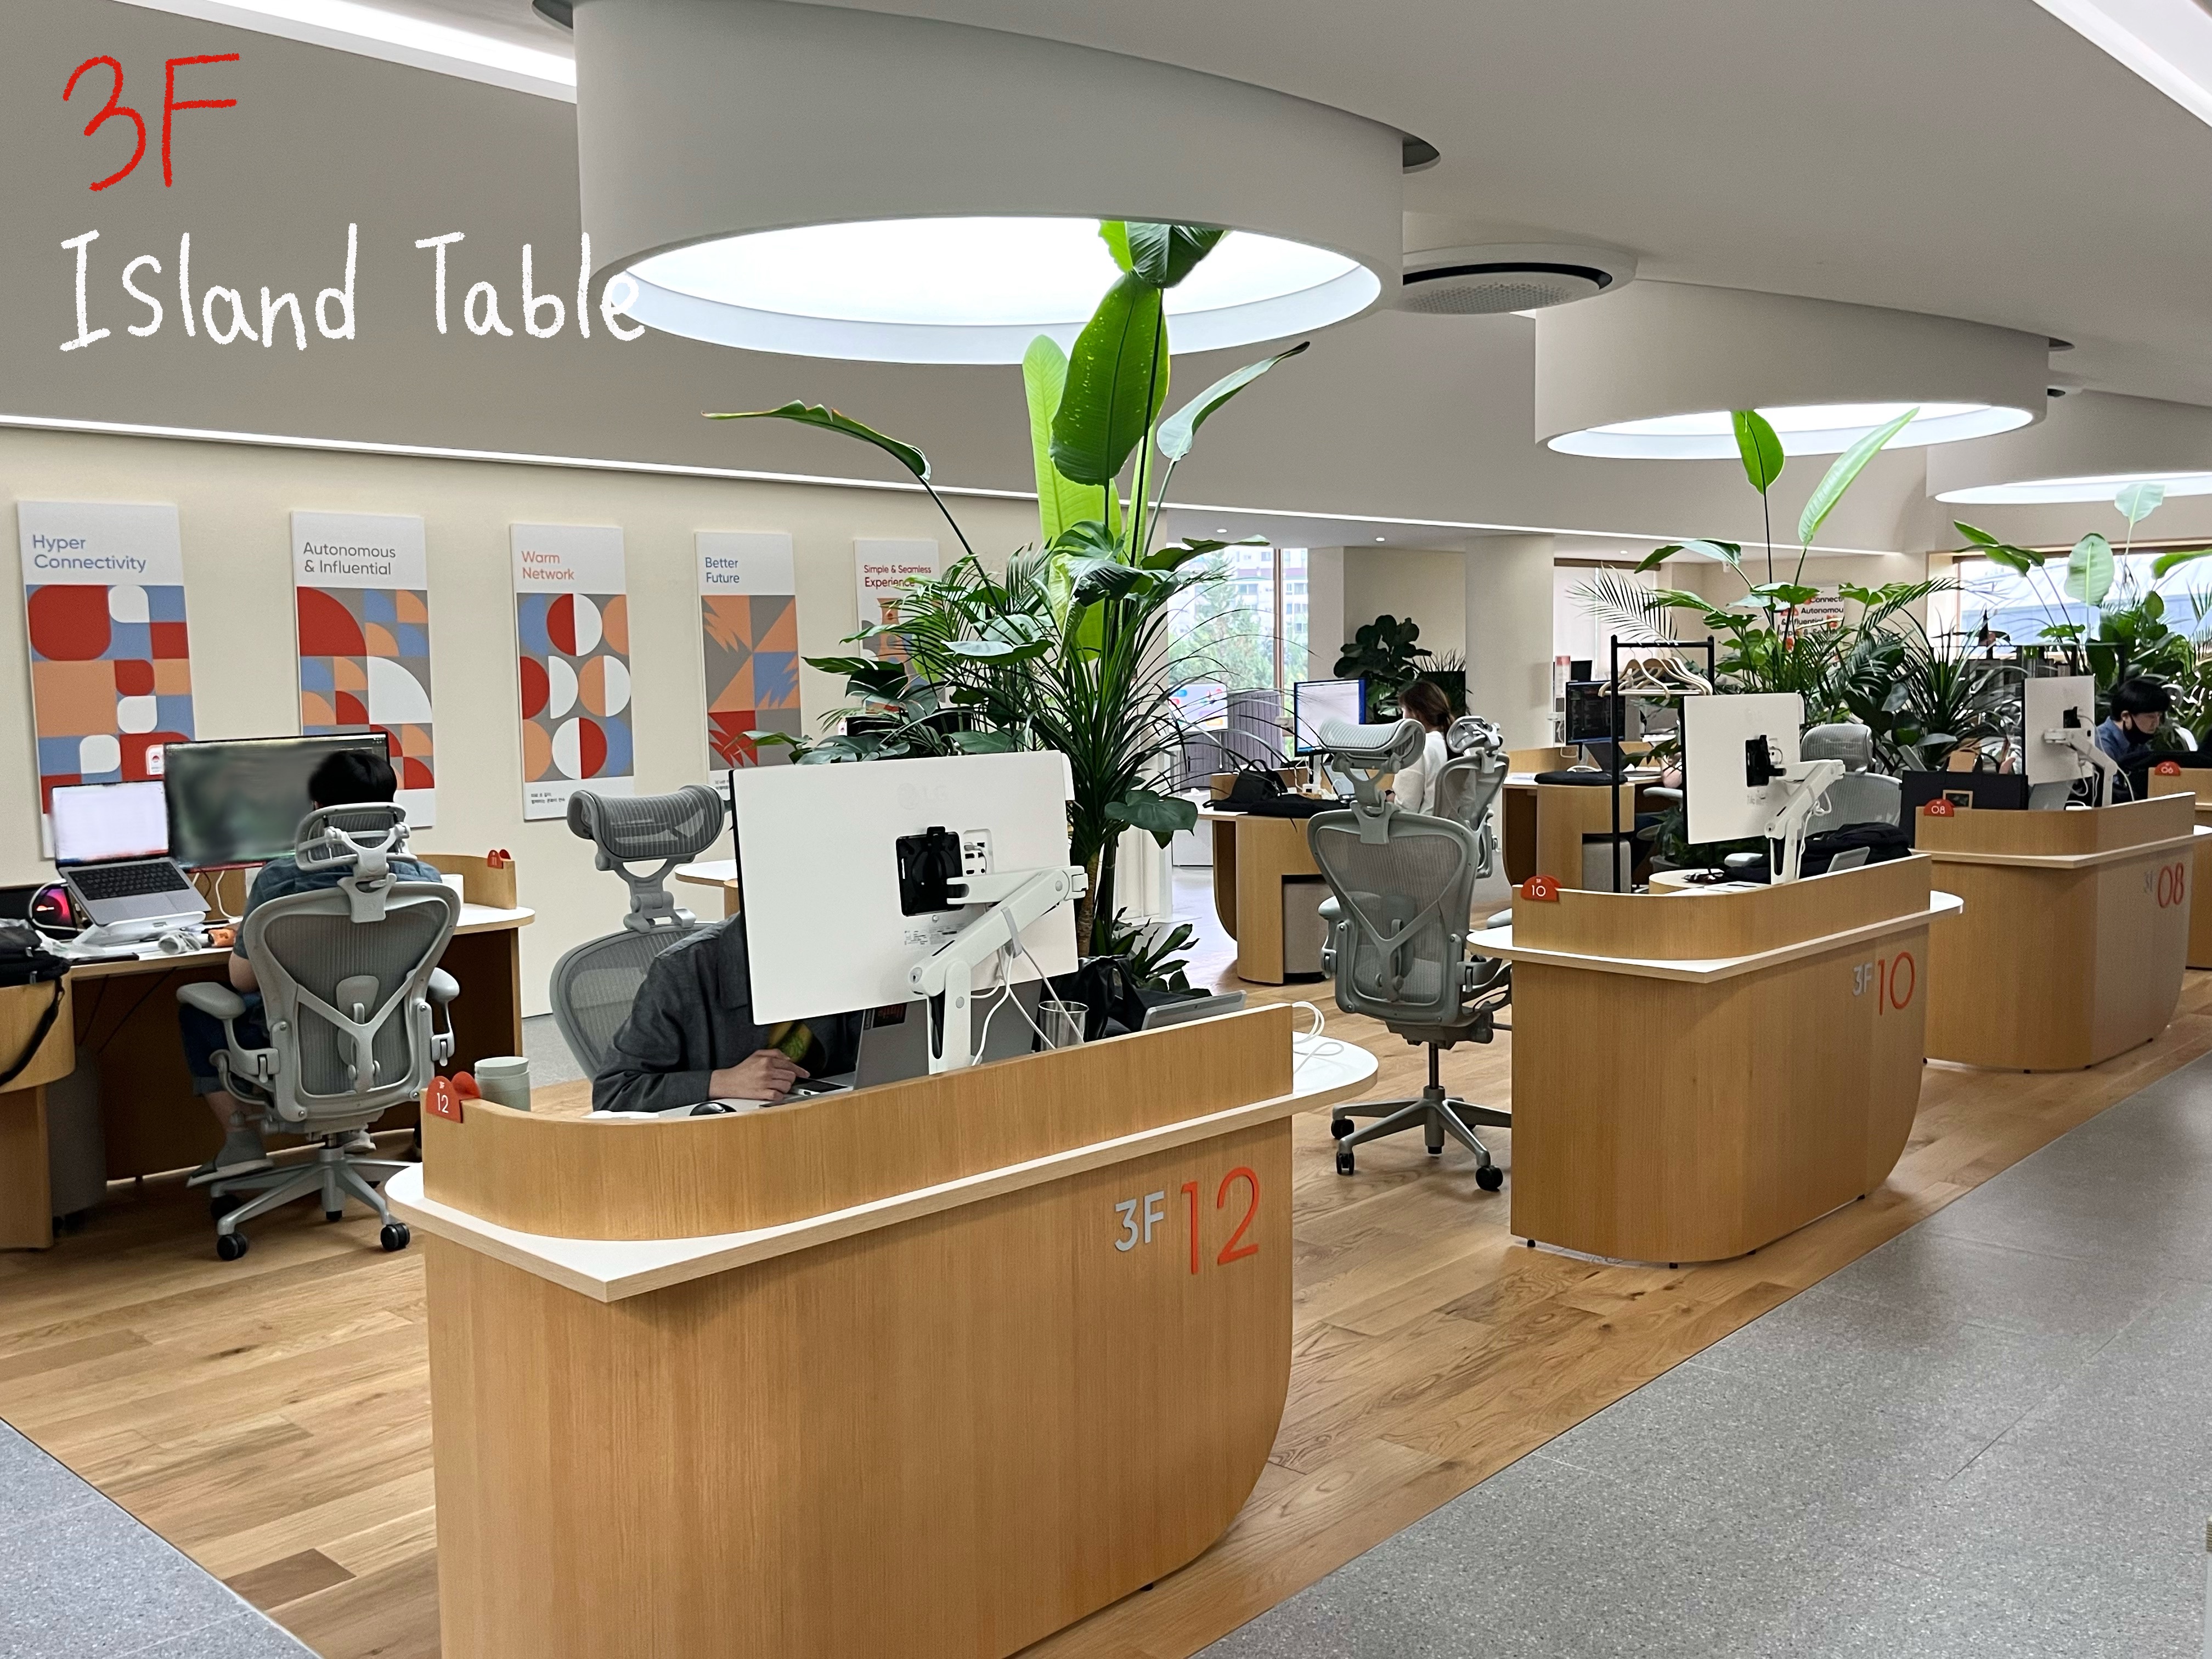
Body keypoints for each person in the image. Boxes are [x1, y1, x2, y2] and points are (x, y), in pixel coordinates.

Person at [177, 747, 443, 1182]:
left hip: (294, 1042)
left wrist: (252, 931)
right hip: (385, 1044)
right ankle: (351, 1129)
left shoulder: (280, 881)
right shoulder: (424, 882)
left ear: (318, 809)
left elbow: (242, 980)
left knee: (201, 1012)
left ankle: (242, 1142)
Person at [592, 916, 863, 1114]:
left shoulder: (849, 948)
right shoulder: (682, 970)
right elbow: (615, 1093)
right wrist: (721, 1081)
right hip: (723, 1144)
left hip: (827, 1123)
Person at [2095, 676, 2174, 802]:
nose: (2156, 723)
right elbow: (2115, 791)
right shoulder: (2101, 743)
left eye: (2159, 716)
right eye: (2150, 717)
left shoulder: (2137, 742)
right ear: (2126, 716)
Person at [1389, 679, 1454, 814]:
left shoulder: (1418, 748)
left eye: (1404, 710)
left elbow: (1405, 810)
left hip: (1424, 827)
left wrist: (1388, 798)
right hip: (1456, 827)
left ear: (1416, 714)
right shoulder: (1460, 745)